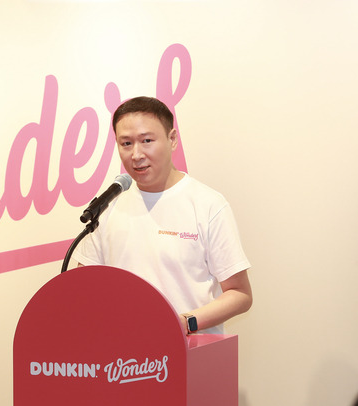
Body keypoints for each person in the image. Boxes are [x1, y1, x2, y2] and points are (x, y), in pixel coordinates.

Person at [72, 96, 252, 335]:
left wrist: (185, 323)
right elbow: (82, 287)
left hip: (191, 355)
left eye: (147, 140)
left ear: (172, 139)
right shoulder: (109, 206)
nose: (136, 154)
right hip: (121, 359)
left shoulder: (208, 204)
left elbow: (240, 294)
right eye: (126, 143)